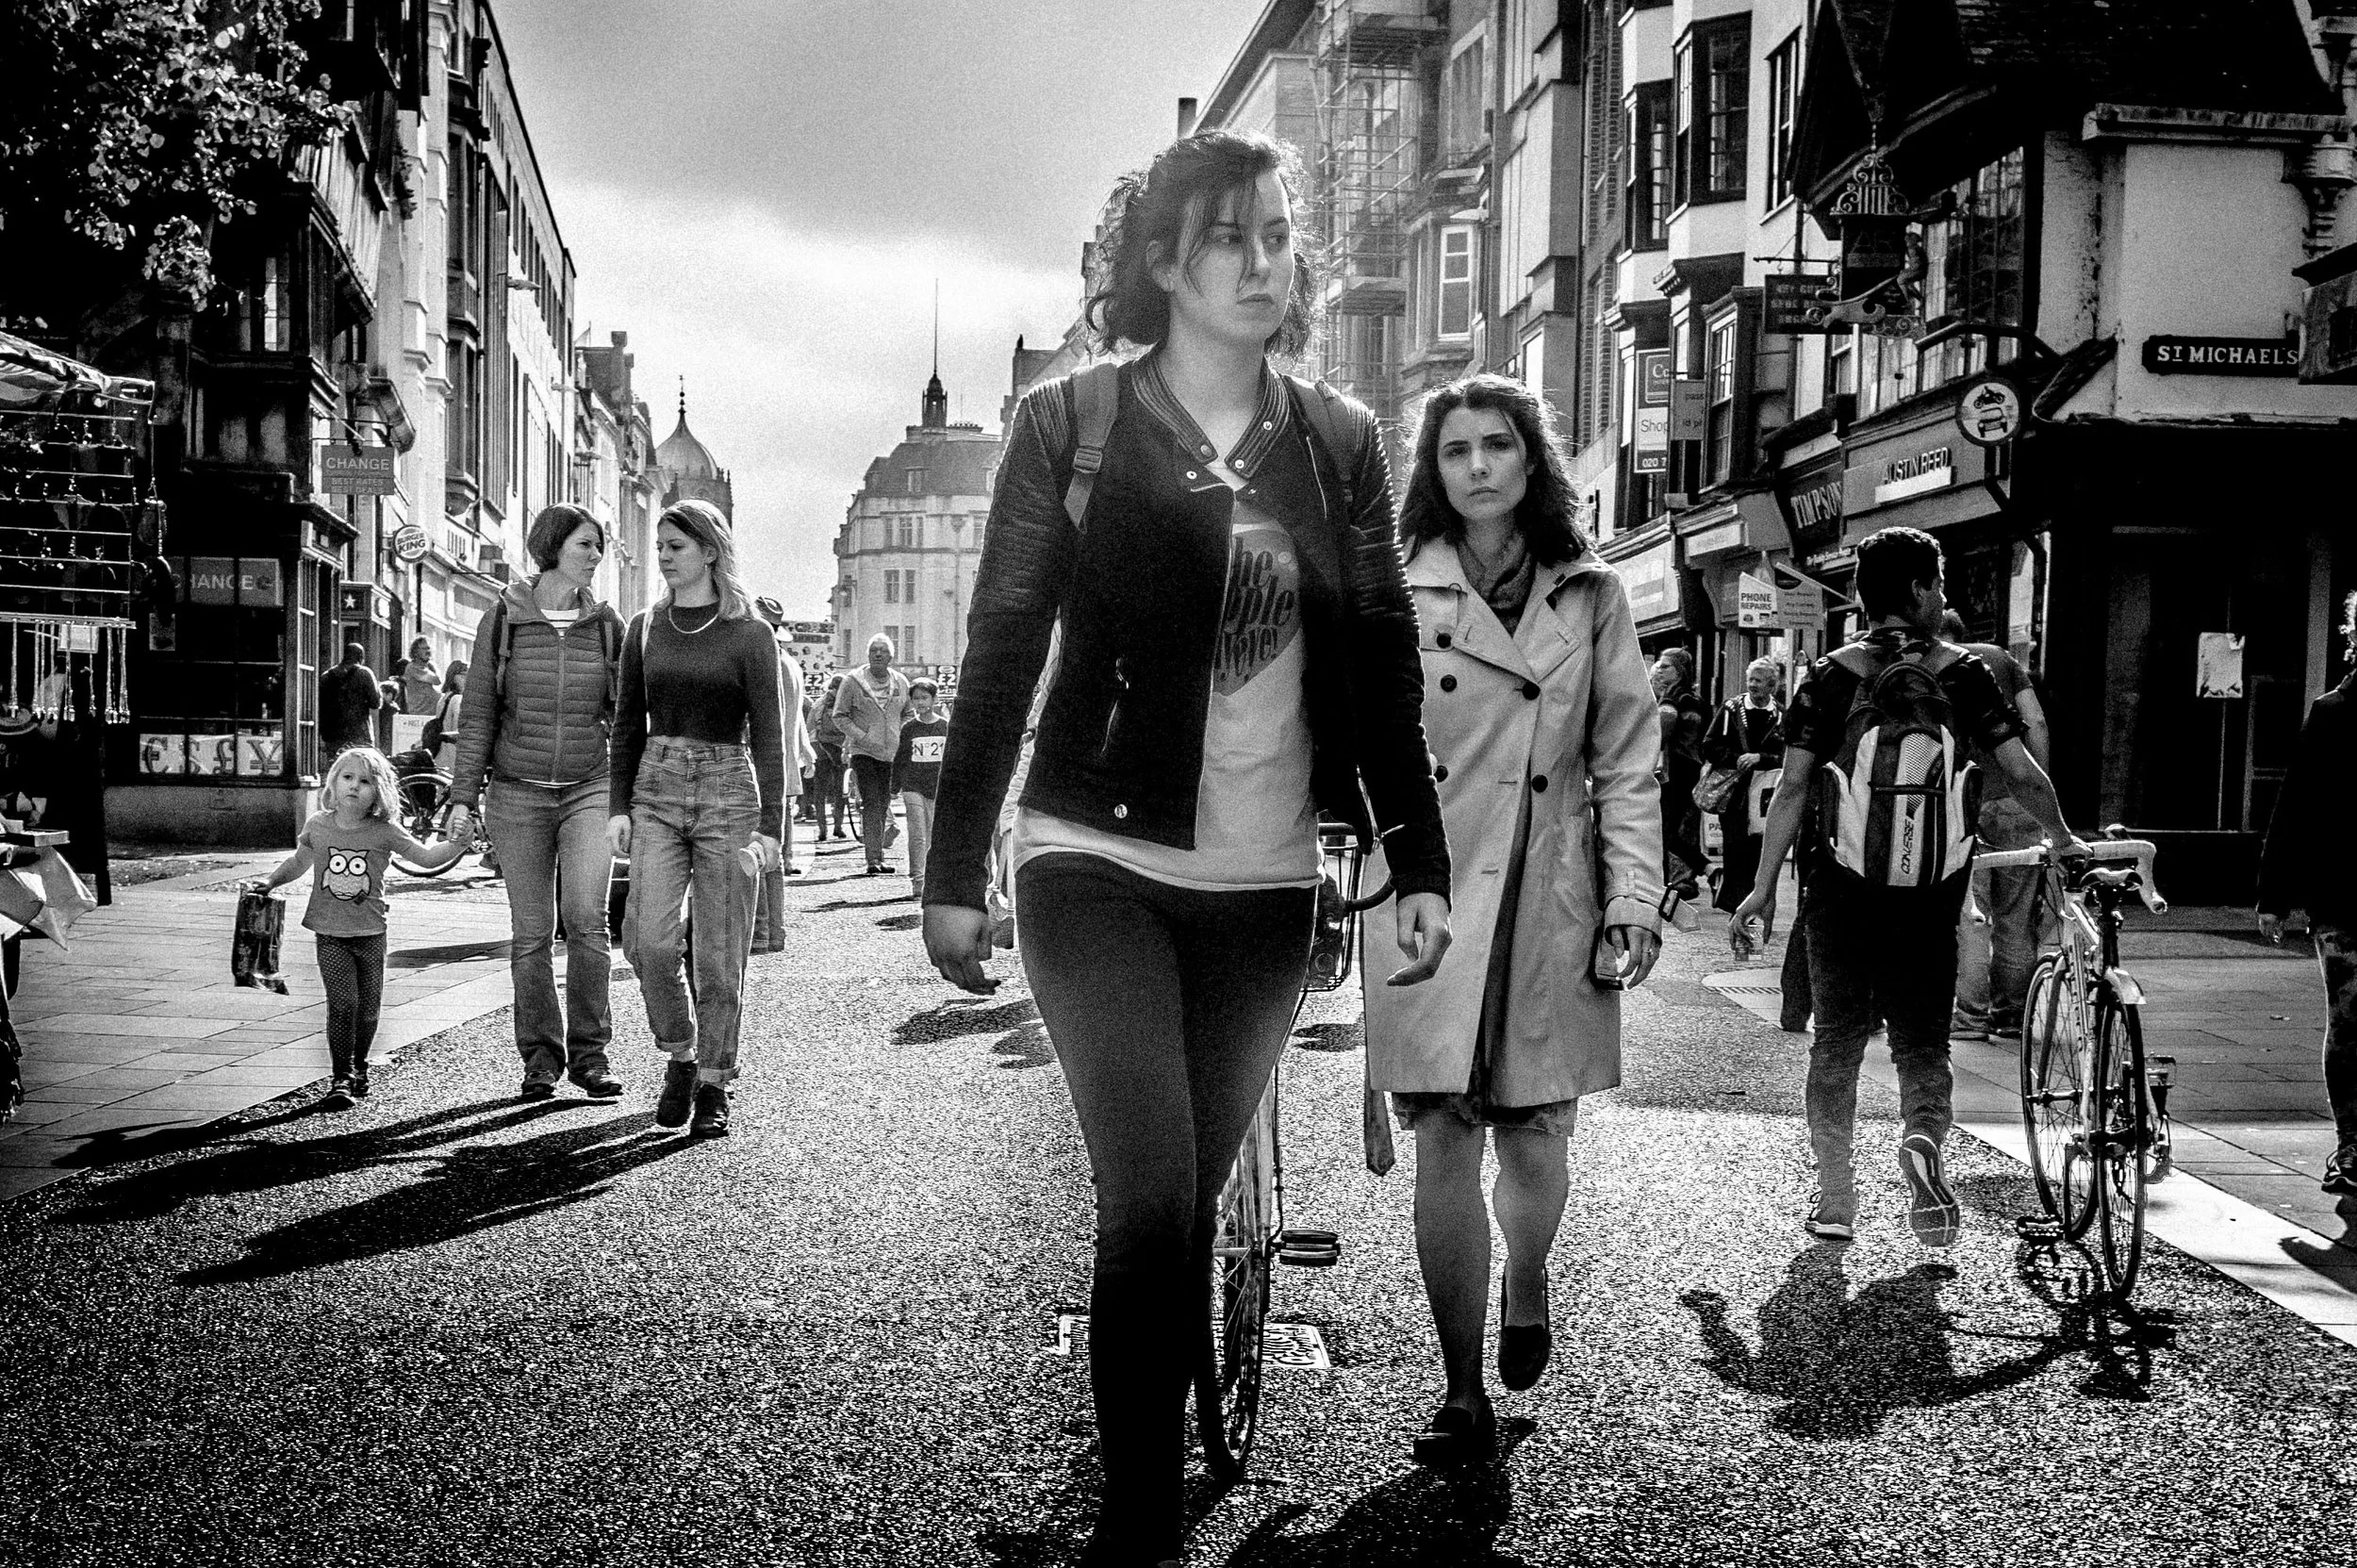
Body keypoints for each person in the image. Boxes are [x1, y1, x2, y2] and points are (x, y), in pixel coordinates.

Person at [921, 130, 1451, 1568]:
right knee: (1149, 1193)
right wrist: (953, 861)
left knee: (1196, 1191)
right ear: (1161, 259)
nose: (1268, 262)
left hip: (1269, 882)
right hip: (1091, 850)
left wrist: (1417, 862)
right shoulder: (1072, 424)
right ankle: (1140, 1537)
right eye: (1233, 236)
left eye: (1283, 237)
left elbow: (1384, 664)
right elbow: (1002, 644)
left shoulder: (1337, 440)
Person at [1367, 372, 1663, 1467]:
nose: (1478, 466)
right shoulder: (1398, 587)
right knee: (1442, 1127)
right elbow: (1363, 745)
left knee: (1535, 1132)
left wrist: (1632, 894)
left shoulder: (1591, 595)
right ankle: (1457, 1390)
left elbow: (1626, 755)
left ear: (1532, 461)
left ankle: (1525, 1277)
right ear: (1433, 473)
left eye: (1497, 445)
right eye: (1455, 451)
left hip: (1551, 887)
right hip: (1429, 887)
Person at [1735, 526, 2086, 1247]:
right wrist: (2064, 836)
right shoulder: (1963, 673)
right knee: (1923, 1040)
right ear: (1922, 590)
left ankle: (1835, 1195)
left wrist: (1764, 887)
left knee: (1835, 1040)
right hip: (1931, 888)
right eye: (1943, 584)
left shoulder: (1830, 675)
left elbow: (1794, 786)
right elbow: (2019, 771)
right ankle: (1923, 1141)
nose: (1946, 596)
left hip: (1839, 886)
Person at [610, 499, 785, 1139]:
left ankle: (712, 1081)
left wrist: (773, 827)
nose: (662, 555)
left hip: (730, 794)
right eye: (658, 545)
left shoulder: (749, 634)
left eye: (674, 545)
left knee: (719, 953)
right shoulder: (644, 628)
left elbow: (768, 735)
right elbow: (628, 724)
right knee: (648, 941)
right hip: (655, 787)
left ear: (710, 550)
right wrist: (616, 807)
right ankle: (680, 1052)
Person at [446, 503, 628, 1102]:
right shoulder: (503, 619)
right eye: (586, 545)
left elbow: (627, 720)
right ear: (553, 548)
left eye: (599, 547)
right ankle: (541, 1059)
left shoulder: (607, 626)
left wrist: (632, 799)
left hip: (589, 788)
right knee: (531, 933)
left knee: (587, 922)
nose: (596, 557)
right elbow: (477, 715)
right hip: (517, 793)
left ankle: (591, 1056)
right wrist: (462, 799)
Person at [251, 746, 464, 1107]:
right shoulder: (318, 825)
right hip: (329, 932)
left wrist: (458, 844)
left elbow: (426, 858)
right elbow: (299, 861)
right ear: (333, 783)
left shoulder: (385, 832)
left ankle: (359, 1065)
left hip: (370, 933)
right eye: (347, 777)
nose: (354, 786)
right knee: (343, 1004)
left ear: (379, 791)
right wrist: (270, 882)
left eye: (365, 781)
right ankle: (341, 1076)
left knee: (368, 1010)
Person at [2257, 591, 2357, 1195]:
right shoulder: (2335, 711)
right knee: (2350, 1019)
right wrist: (2275, 892)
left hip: (2341, 891)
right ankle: (2352, 1145)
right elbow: (2295, 807)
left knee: (2351, 1021)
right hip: (2344, 896)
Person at [1938, 609, 2052, 1042]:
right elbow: (2036, 721)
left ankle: (1969, 1017)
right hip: (2016, 797)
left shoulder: (1935, 663)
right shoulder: (1999, 658)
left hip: (1961, 799)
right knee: (2018, 912)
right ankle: (2011, 1015)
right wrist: (2038, 783)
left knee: (1972, 914)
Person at [750, 596, 816, 954]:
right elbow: (798, 722)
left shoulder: (767, 663)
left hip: (763, 771)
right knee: (773, 856)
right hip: (785, 771)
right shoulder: (790, 664)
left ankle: (761, 933)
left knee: (757, 850)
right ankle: (774, 932)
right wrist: (804, 754)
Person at [1702, 655, 1787, 912]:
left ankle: (1753, 907)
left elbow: (1788, 754)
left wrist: (1762, 758)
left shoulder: (1782, 715)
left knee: (1759, 853)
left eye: (1759, 681)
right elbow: (1709, 746)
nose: (1752, 684)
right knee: (1735, 851)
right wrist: (1737, 759)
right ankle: (1738, 913)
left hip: (1767, 796)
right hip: (1736, 797)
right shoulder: (1731, 709)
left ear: (1772, 686)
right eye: (1751, 679)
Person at [833, 634, 911, 874]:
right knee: (872, 802)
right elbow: (839, 716)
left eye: (883, 651)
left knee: (885, 801)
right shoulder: (852, 681)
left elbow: (907, 713)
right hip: (864, 752)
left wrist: (901, 734)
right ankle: (873, 860)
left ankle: (879, 856)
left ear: (891, 656)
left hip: (891, 754)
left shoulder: (900, 681)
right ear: (868, 655)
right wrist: (863, 736)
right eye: (874, 650)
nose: (878, 654)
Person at [1653, 647, 1707, 897]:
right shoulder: (1695, 699)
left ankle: (1702, 868)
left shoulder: (1672, 699)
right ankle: (1684, 878)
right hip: (1692, 769)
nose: (1659, 670)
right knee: (1682, 827)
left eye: (1666, 666)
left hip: (1672, 771)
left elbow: (1660, 732)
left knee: (1666, 829)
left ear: (1680, 671)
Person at [893, 678, 949, 902]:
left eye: (924, 698)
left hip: (937, 787)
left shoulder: (945, 726)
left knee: (935, 836)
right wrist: (894, 786)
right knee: (917, 835)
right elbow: (901, 758)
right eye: (916, 698)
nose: (920, 703)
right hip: (913, 785)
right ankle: (918, 881)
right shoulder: (909, 728)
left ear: (934, 700)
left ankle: (935, 880)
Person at [319, 643, 385, 756]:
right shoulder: (365, 673)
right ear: (361, 658)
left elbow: (320, 705)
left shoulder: (326, 676)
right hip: (359, 734)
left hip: (332, 735)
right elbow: (376, 703)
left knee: (336, 768)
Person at [811, 672, 850, 840]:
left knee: (820, 791)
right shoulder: (846, 703)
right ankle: (838, 827)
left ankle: (822, 829)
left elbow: (809, 728)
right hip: (840, 750)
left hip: (821, 750)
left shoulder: (819, 703)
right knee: (841, 790)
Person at [427, 659, 467, 773]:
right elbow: (459, 728)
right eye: (463, 675)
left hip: (441, 753)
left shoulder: (444, 698)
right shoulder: (458, 699)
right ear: (453, 677)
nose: (467, 679)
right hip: (453, 756)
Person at [396, 637, 440, 715]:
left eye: (428, 648)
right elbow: (436, 680)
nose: (428, 651)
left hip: (430, 713)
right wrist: (431, 665)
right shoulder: (413, 667)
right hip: (420, 714)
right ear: (416, 651)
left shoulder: (426, 667)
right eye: (424, 649)